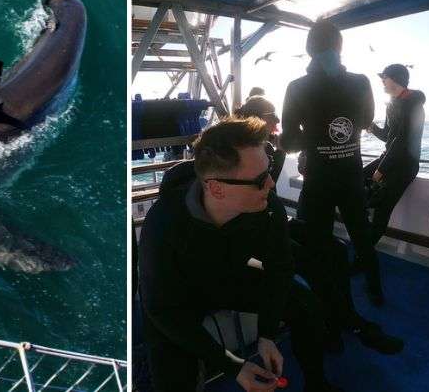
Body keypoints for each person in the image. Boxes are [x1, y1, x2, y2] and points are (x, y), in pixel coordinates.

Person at [139, 117, 341, 392]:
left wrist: (267, 334)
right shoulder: (164, 221)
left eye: (268, 172)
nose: (271, 183)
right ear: (217, 188)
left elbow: (279, 269)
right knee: (172, 376)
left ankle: (317, 384)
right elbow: (160, 308)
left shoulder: (267, 207)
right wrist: (233, 365)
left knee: (306, 305)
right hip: (179, 296)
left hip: (229, 275)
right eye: (259, 180)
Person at [235, 99, 404, 355]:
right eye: (271, 116)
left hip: (271, 220)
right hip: (248, 231)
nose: (278, 122)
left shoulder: (272, 150)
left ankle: (345, 319)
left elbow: (268, 196)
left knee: (336, 249)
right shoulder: (237, 156)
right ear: (252, 119)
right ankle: (339, 325)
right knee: (313, 261)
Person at [279, 20, 384, 305]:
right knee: (362, 236)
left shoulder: (297, 87)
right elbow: (364, 121)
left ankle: (328, 303)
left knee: (318, 243)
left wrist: (314, 138)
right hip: (351, 175)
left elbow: (287, 141)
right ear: (340, 47)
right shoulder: (361, 82)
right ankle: (376, 292)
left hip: (319, 179)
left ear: (309, 49)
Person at [362, 64, 426, 247]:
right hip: (390, 157)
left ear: (396, 79)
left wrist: (381, 169)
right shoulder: (392, 103)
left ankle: (364, 253)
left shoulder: (414, 105)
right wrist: (373, 128)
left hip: (405, 165)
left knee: (382, 210)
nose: (382, 79)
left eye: (385, 77)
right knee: (357, 181)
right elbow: (388, 137)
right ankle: (364, 231)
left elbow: (403, 141)